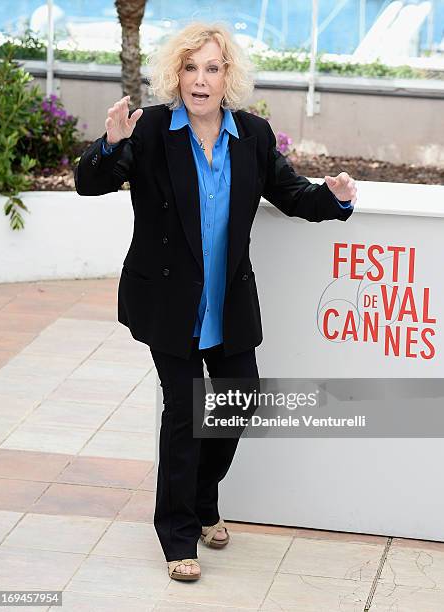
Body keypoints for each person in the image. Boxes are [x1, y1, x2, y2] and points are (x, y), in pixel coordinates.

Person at [74, 21, 357, 582]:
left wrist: (335, 198)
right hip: (167, 301)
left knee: (236, 403)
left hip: (228, 302)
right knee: (184, 414)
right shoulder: (151, 129)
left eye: (211, 68)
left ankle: (203, 498)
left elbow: (291, 193)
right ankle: (178, 536)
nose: (199, 80)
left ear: (227, 77)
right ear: (174, 74)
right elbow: (90, 182)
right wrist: (109, 145)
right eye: (189, 67)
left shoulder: (252, 135)